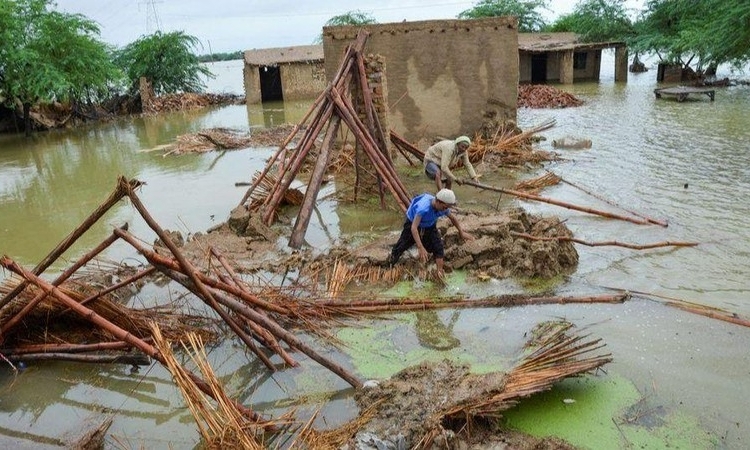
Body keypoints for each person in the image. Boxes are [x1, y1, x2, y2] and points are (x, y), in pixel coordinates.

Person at [387, 188, 474, 277]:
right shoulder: (423, 208)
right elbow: (414, 228)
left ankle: (439, 272)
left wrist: (461, 232)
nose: (445, 210)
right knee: (401, 246)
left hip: (429, 224)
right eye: (444, 207)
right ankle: (389, 266)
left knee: (438, 246)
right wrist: (420, 247)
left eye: (447, 208)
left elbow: (453, 218)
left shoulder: (442, 208)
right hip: (413, 222)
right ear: (438, 201)